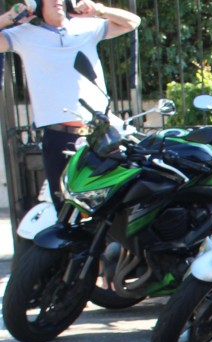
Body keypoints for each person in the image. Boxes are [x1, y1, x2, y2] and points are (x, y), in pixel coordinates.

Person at [0, 0, 140, 200]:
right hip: (59, 138)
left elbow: (133, 22)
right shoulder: (23, 34)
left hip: (99, 134)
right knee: (65, 203)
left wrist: (99, 10)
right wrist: (9, 17)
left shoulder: (87, 26)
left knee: (112, 202)